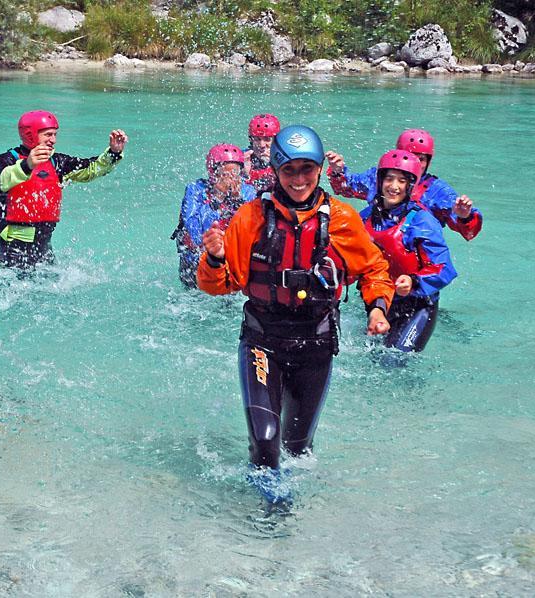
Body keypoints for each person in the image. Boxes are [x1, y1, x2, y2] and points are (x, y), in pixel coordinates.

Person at [197, 125, 395, 502]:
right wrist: (215, 257)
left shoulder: (340, 219)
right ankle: (268, 521)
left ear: (320, 169)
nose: (299, 179)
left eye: (307, 169)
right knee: (266, 442)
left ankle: (294, 527)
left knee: (298, 449)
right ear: (274, 170)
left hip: (316, 342)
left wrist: (378, 308)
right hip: (262, 339)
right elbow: (219, 284)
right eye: (289, 170)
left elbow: (373, 270)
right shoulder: (251, 216)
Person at [0, 110, 128, 270]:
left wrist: (113, 153)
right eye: (48, 135)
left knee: (51, 281)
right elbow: (0, 182)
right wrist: (27, 165)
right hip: (10, 243)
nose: (53, 140)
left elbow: (91, 169)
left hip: (43, 242)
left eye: (55, 134)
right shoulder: (7, 160)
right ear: (30, 134)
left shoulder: (57, 162)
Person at [362, 150, 458, 353]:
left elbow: (444, 268)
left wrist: (414, 281)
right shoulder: (366, 218)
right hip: (383, 303)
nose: (394, 187)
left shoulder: (422, 221)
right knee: (372, 356)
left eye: (402, 181)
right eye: (389, 179)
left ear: (410, 186)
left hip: (419, 305)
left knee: (395, 359)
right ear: (380, 181)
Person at [325, 128, 483, 241]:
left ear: (428, 161)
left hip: (413, 266)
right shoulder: (378, 177)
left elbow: (468, 233)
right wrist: (338, 171)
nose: (413, 163)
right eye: (409, 156)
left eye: (420, 159)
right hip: (377, 256)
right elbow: (346, 189)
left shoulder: (437, 191)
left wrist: (465, 217)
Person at [172, 144, 256, 288]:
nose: (229, 179)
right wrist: (217, 198)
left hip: (231, 264)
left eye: (234, 173)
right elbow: (196, 233)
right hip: (195, 264)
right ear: (213, 173)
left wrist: (237, 202)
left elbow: (250, 231)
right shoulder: (195, 190)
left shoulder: (247, 192)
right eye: (224, 174)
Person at [243, 113, 280, 196]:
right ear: (251, 140)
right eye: (257, 139)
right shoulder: (242, 159)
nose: (262, 145)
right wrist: (245, 174)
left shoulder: (283, 159)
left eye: (267, 139)